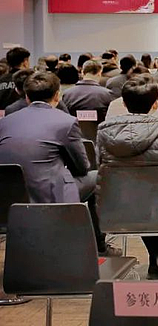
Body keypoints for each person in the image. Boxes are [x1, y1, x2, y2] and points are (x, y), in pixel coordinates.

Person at [0, 71, 116, 255]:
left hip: (8, 199)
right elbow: (82, 167)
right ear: (57, 95)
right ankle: (99, 246)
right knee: (96, 177)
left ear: (26, 96)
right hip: (48, 196)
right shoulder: (66, 122)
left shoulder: (5, 122)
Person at [96, 76, 158, 278]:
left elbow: (100, 169)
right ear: (156, 104)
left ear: (124, 103)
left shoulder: (104, 133)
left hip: (119, 205)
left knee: (144, 203)